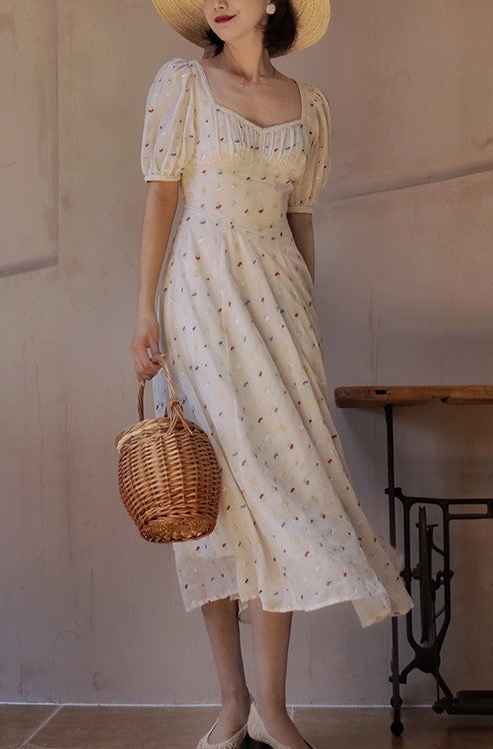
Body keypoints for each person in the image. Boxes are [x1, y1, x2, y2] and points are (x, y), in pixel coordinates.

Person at [129, 2, 414, 747]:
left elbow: (301, 214)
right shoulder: (182, 84)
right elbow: (162, 193)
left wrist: (308, 313)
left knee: (281, 492)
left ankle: (272, 708)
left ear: (272, 4)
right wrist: (144, 313)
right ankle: (232, 702)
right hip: (199, 303)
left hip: (280, 306)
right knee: (215, 501)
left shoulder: (308, 105)